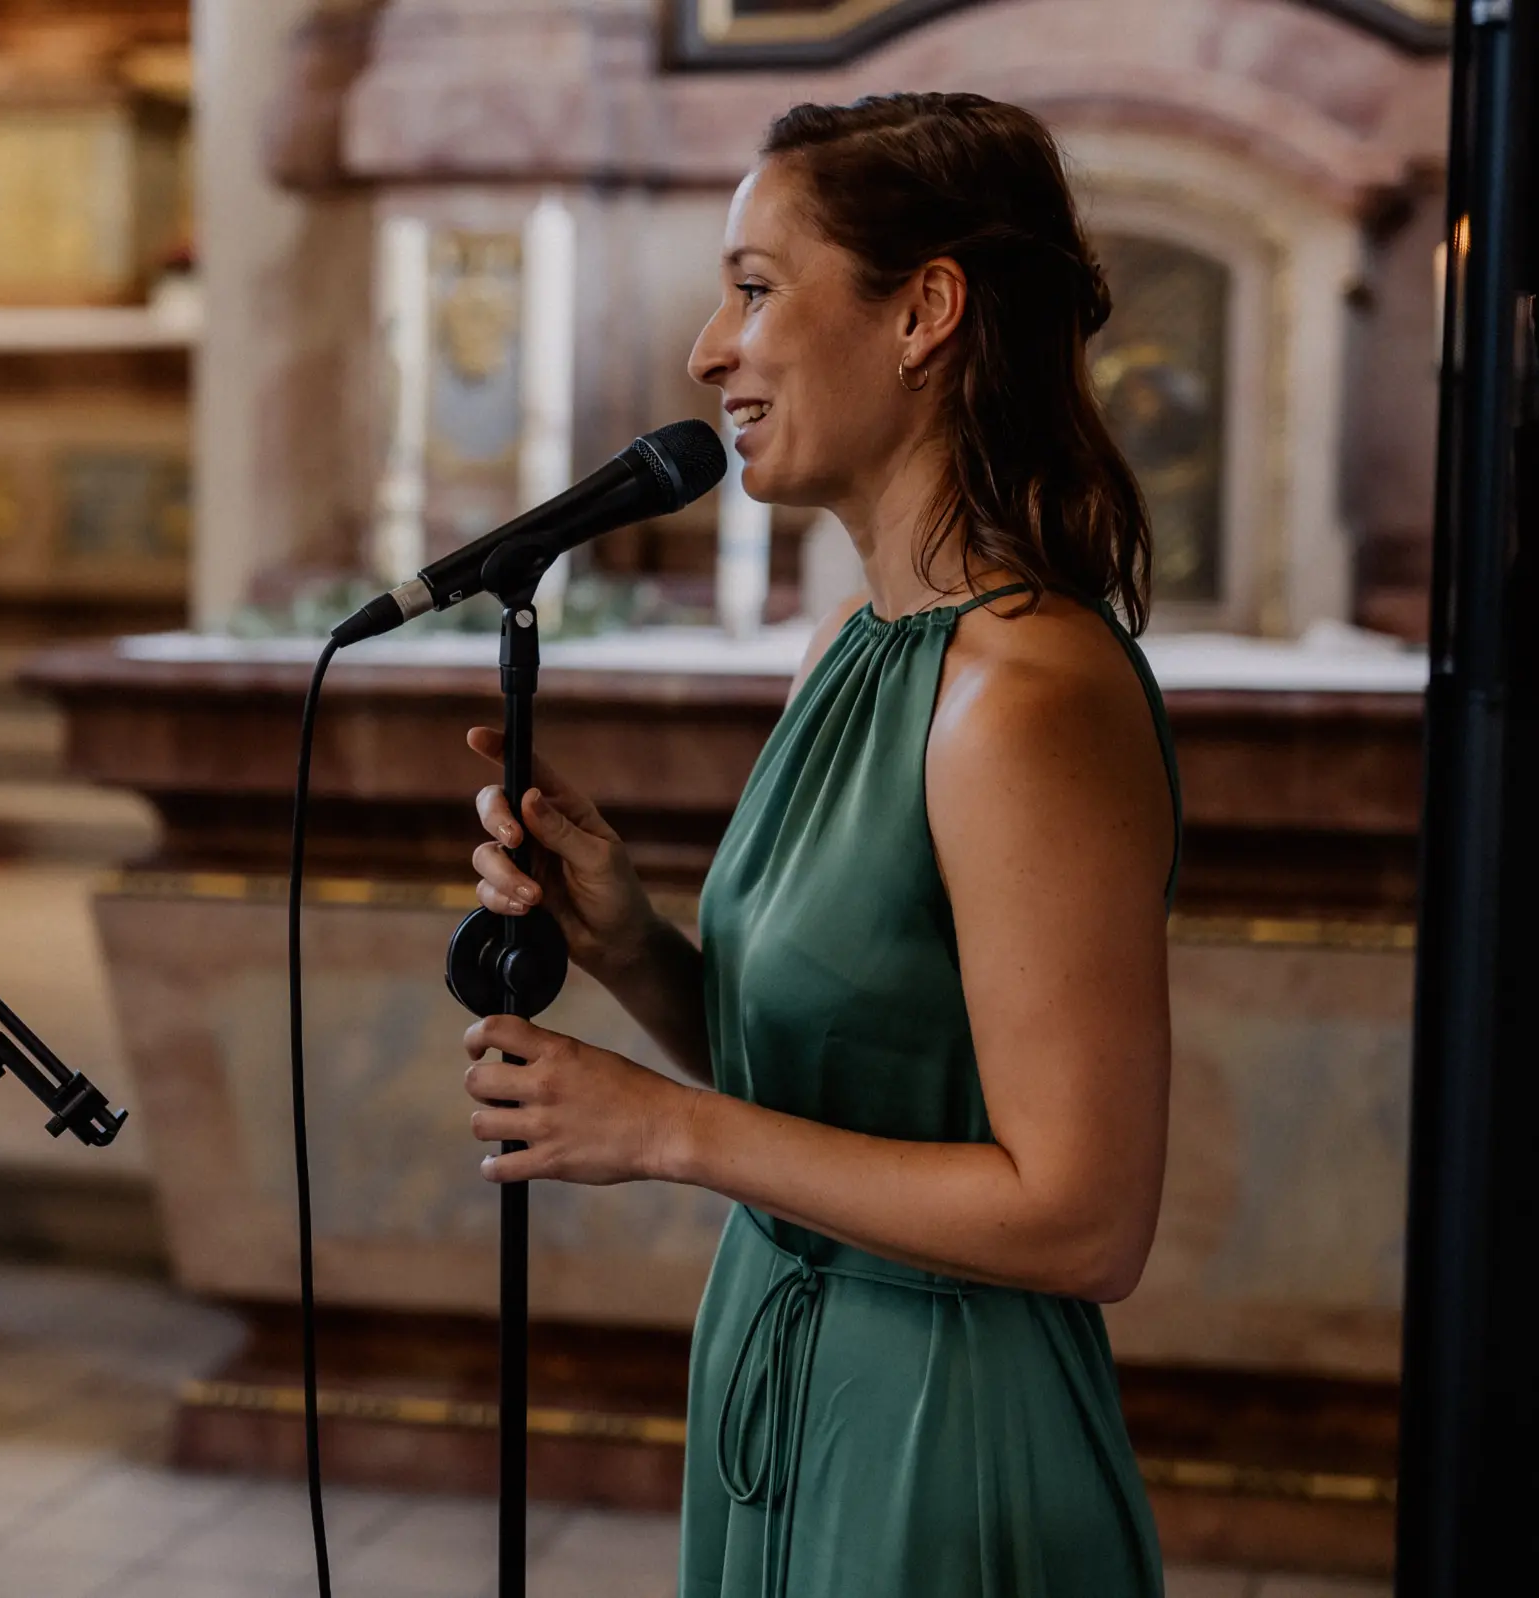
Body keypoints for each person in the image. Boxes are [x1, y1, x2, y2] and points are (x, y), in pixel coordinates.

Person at [459, 92, 1181, 1597]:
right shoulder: (852, 647)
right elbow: (841, 1083)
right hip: (785, 1373)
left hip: (940, 1429)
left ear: (924, 312)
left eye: (754, 288)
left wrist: (665, 1132)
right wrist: (631, 948)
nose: (707, 351)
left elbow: (1085, 1218)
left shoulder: (1026, 695)